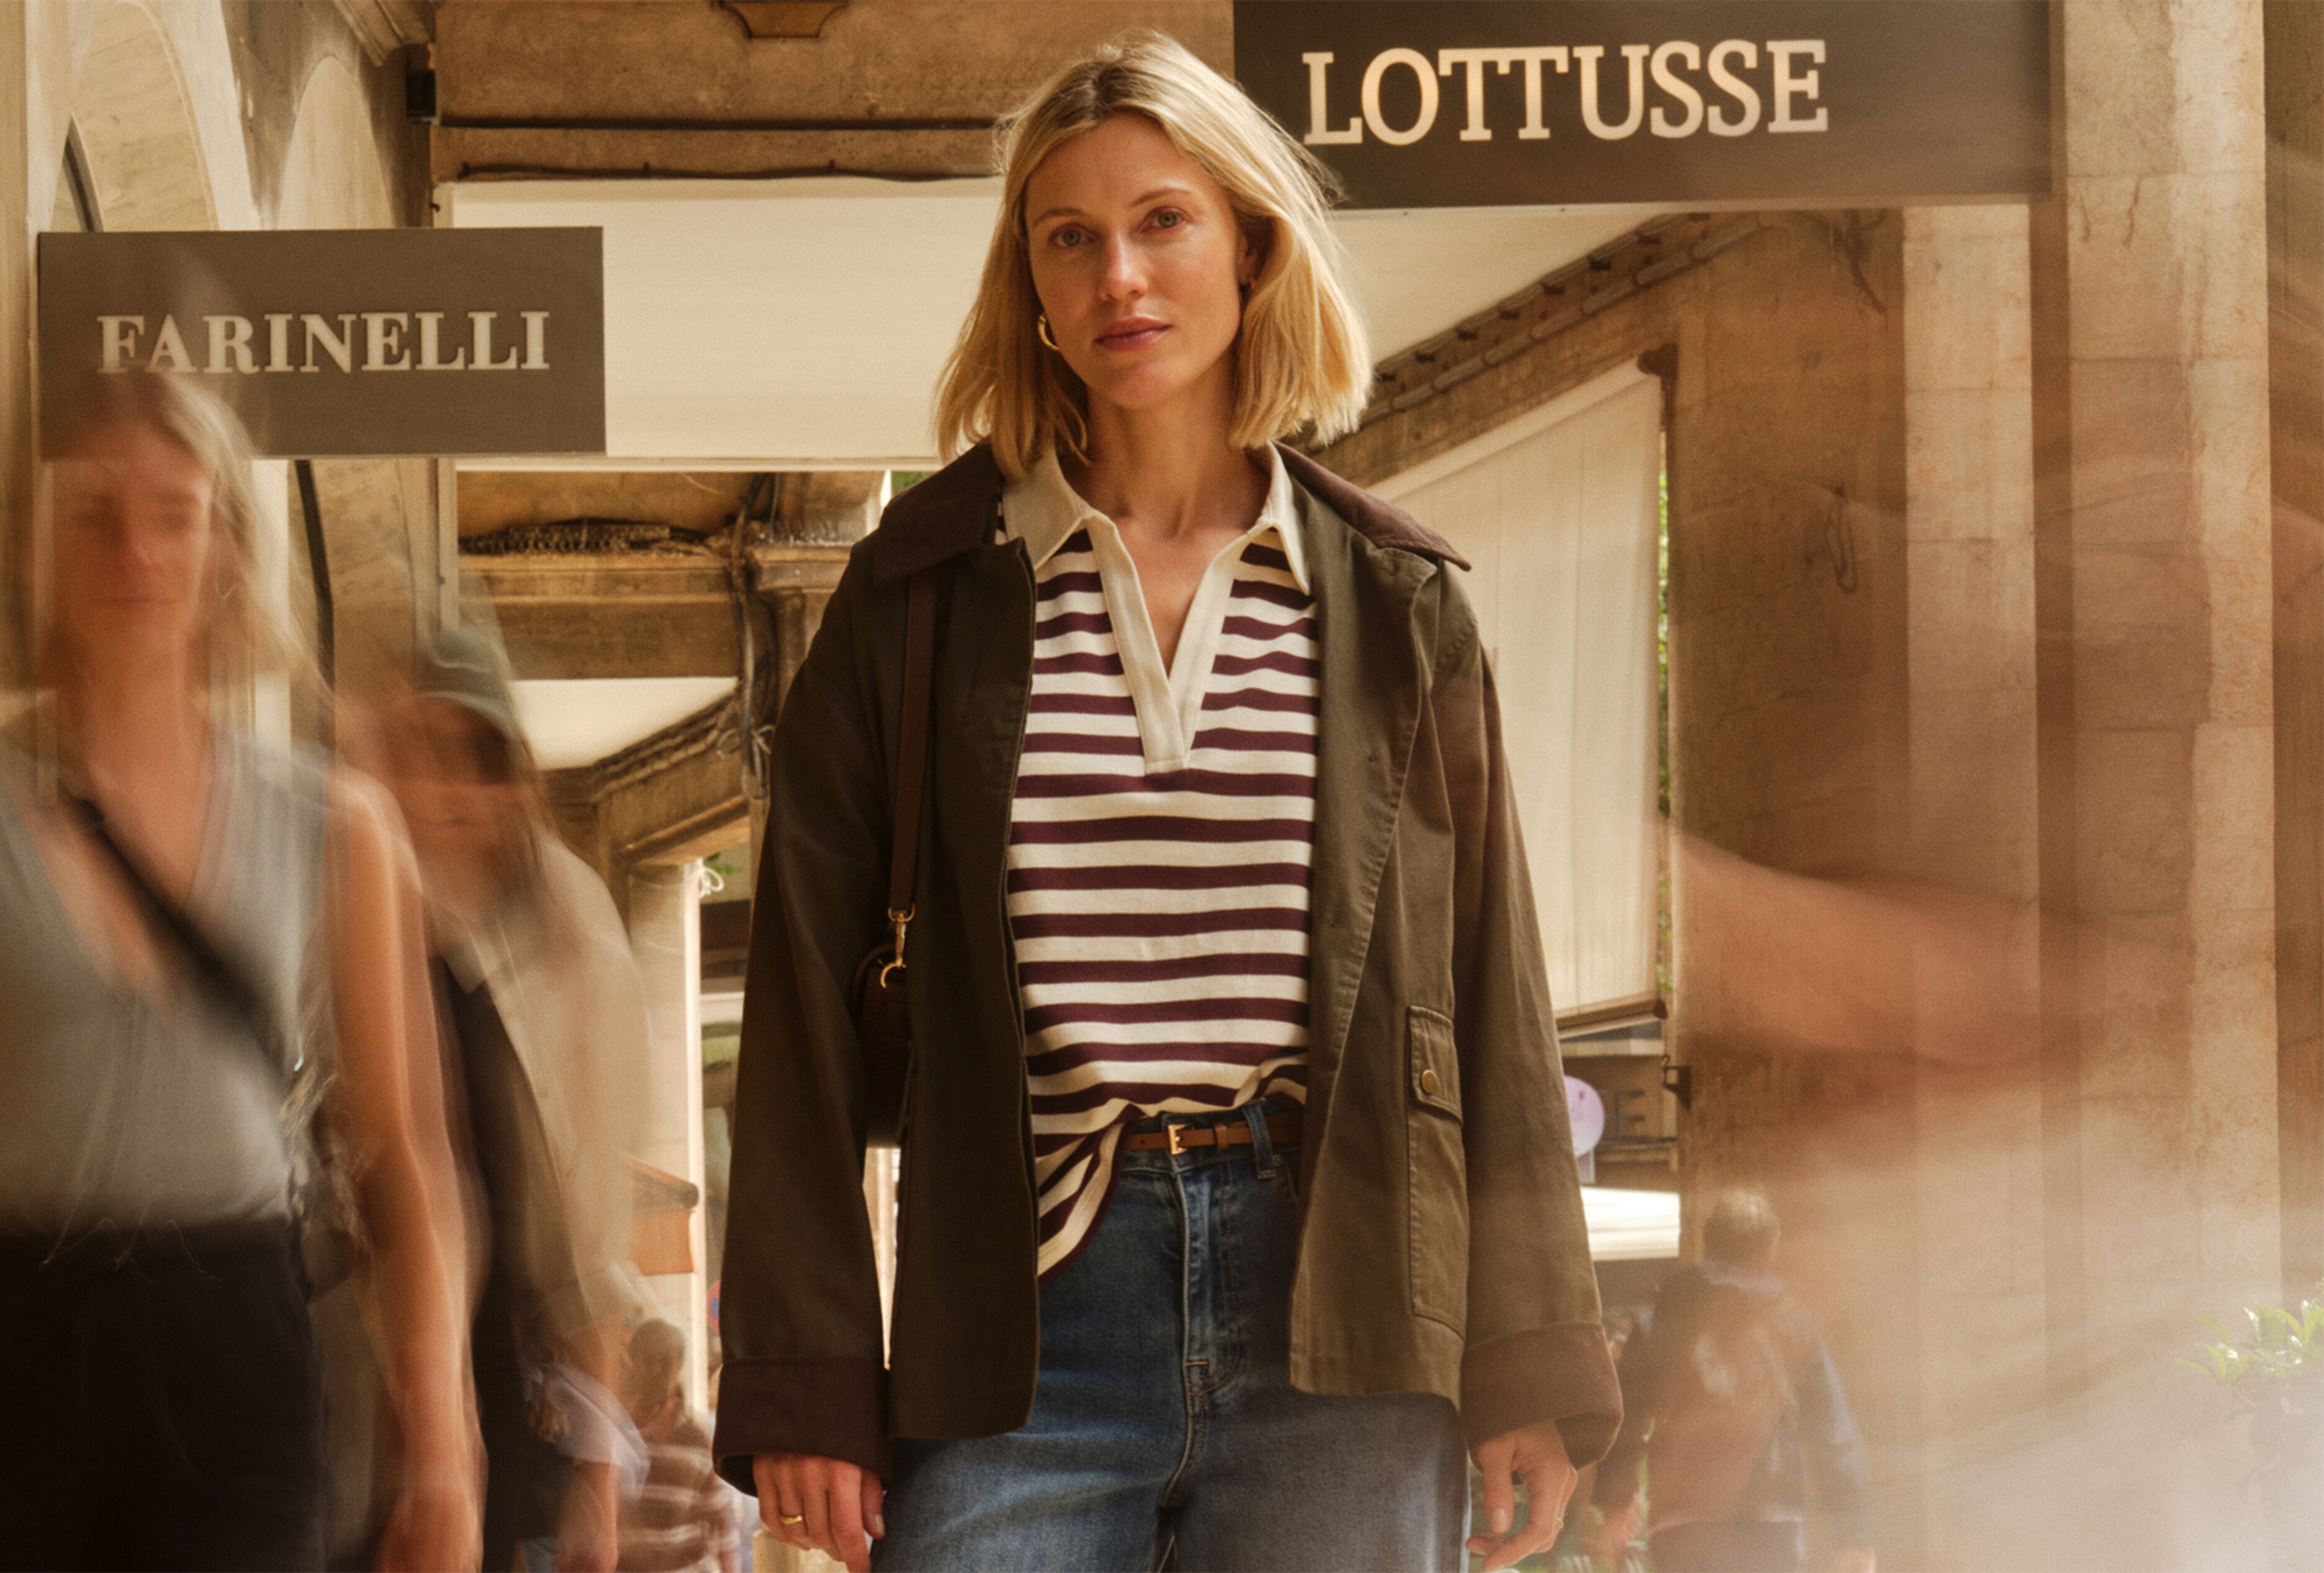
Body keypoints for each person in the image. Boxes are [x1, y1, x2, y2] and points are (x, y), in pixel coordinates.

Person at [713, 32, 1620, 1573]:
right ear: (1030, 282)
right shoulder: (916, 593)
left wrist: (1528, 1354)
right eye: (1069, 238)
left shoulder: (1395, 601)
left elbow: (1492, 998)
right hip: (1019, 1316)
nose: (1117, 277)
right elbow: (798, 995)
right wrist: (808, 1371)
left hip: (1344, 1309)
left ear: (1251, 247)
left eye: (1162, 222)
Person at [0, 371, 477, 1570]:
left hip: (238, 1348)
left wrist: (441, 1430)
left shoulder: (333, 824)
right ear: (31, 547)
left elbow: (403, 1158)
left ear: (227, 550)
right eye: (93, 514)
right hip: (30, 1346)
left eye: (174, 514)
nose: (135, 551)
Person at [376, 627, 653, 1572]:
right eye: (421, 751)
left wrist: (597, 1476)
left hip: (507, 1404)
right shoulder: (335, 892)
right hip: (347, 1392)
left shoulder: (571, 937)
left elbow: (588, 1237)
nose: (447, 790)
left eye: (476, 759)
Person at [1594, 1191, 1875, 1573]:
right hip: (1772, 1520)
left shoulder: (1659, 1321)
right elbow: (1831, 1431)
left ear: (1705, 1245)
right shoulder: (1795, 1323)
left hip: (1682, 1522)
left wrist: (1618, 1503)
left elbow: (1626, 1417)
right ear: (1772, 1249)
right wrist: (1854, 1534)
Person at [618, 1319, 742, 1573]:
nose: (656, 1369)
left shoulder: (696, 1436)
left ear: (679, 1364)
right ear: (633, 1361)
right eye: (647, 1360)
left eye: (665, 1360)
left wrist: (730, 1567)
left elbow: (720, 1513)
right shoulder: (617, 1428)